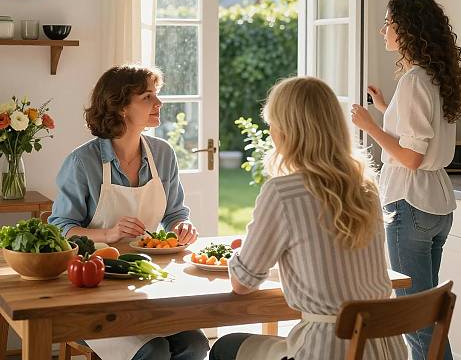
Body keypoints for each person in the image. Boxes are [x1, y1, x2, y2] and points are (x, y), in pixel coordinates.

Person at [209, 76, 407, 360]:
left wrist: (239, 252)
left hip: (326, 351)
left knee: (224, 347)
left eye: (272, 124)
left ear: (287, 131)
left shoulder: (283, 192)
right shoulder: (366, 187)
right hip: (386, 350)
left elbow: (243, 283)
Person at [49, 65, 209, 360]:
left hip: (146, 280)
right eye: (148, 97)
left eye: (156, 95)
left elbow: (176, 212)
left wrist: (182, 226)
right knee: (154, 349)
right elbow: (60, 228)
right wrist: (109, 234)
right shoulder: (83, 162)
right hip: (91, 289)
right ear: (121, 106)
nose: (159, 103)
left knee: (195, 345)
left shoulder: (162, 154)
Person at [351, 0, 461, 360]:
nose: (383, 30)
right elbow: (421, 133)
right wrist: (388, 109)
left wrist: (370, 126)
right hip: (436, 207)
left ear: (406, 30)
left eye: (388, 23)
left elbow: (412, 158)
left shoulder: (415, 81)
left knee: (416, 322)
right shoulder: (433, 77)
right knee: (428, 315)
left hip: (410, 205)